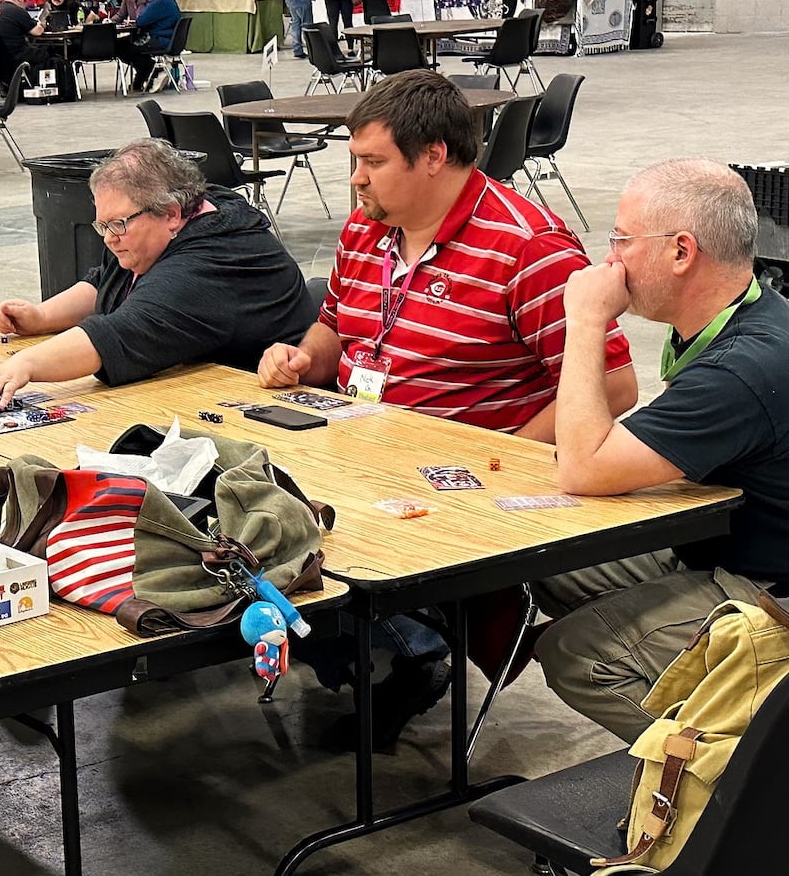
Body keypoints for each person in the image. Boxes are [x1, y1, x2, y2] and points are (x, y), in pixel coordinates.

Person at [254, 70, 638, 747]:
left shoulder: (529, 249)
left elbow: (613, 387)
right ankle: (383, 650)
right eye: (354, 162)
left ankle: (409, 651)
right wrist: (301, 359)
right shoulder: (366, 232)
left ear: (434, 156)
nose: (356, 180)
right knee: (242, 512)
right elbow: (335, 326)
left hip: (452, 485)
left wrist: (508, 457)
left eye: (372, 162)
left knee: (301, 548)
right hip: (358, 451)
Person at [535, 161, 789, 742]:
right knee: (552, 562)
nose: (609, 261)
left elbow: (581, 466)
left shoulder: (742, 369)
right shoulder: (741, 319)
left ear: (681, 252)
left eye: (621, 240)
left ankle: (739, 781)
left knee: (577, 654)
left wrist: (585, 320)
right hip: (728, 542)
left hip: (772, 586)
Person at [0, 140, 312, 411]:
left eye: (118, 224)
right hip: (200, 386)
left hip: (266, 405)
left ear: (172, 214)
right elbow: (106, 281)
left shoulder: (211, 259)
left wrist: (24, 365)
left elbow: (118, 334)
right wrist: (42, 316)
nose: (109, 237)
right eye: (103, 224)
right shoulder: (169, 221)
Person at [119, 0, 181, 93]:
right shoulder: (170, 1)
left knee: (123, 47)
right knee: (131, 48)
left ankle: (155, 71)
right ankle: (146, 78)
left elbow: (141, 21)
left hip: (159, 40)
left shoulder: (158, 4)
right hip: (170, 39)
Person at [0, 0, 51, 74]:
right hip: (15, 55)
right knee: (46, 54)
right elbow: (37, 32)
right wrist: (42, 24)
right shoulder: (16, 11)